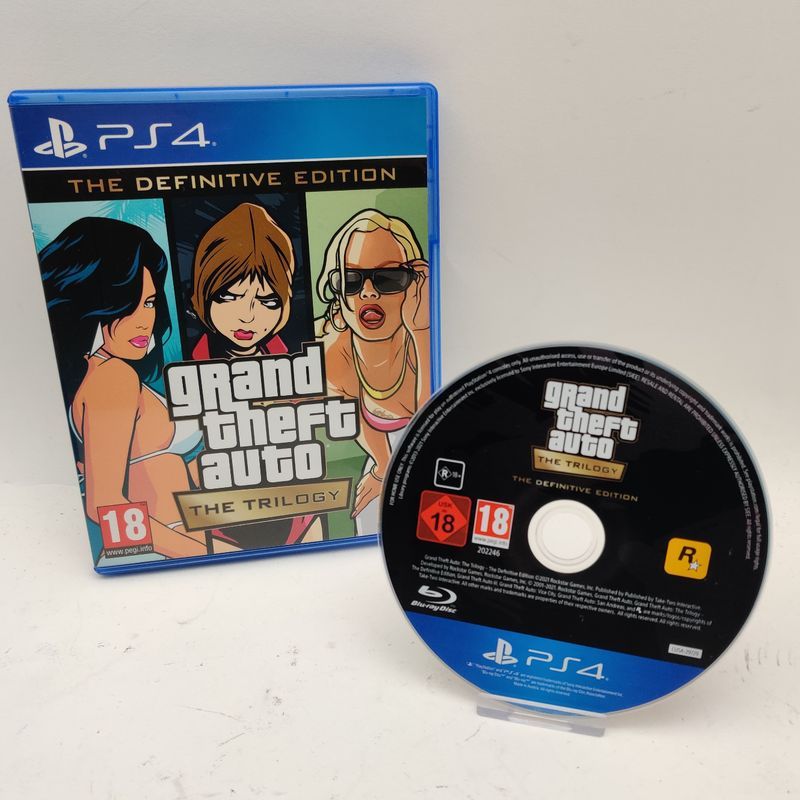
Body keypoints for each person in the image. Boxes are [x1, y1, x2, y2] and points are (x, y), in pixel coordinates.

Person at [39, 217, 212, 560]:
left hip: (164, 546)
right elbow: (104, 505)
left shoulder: (102, 373)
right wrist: (204, 551)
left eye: (149, 302)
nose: (145, 320)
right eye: (127, 304)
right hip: (159, 550)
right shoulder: (113, 377)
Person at [190, 202, 322, 547]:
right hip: (223, 520)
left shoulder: (293, 363)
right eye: (230, 297)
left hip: (299, 513)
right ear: (204, 292)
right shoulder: (188, 369)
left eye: (267, 300)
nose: (247, 317)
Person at [316, 209, 431, 535]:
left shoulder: (427, 335)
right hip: (383, 455)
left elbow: (433, 425)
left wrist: (421, 330)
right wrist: (382, 469)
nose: (368, 293)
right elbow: (355, 422)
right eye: (351, 280)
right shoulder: (333, 352)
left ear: (413, 283)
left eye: (388, 278)